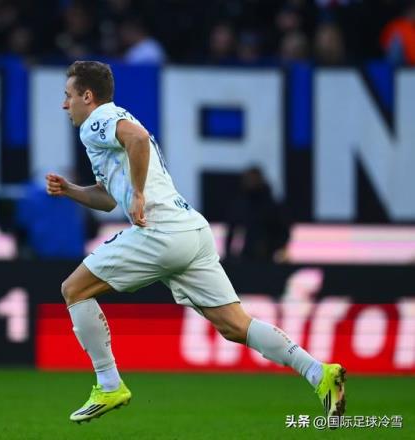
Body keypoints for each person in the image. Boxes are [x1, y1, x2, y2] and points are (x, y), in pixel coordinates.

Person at [46, 60, 346, 424]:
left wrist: (138, 194)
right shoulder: (112, 123)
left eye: (68, 95)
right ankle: (319, 373)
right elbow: (109, 198)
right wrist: (71, 190)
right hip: (191, 230)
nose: (64, 104)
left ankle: (109, 383)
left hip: (160, 232)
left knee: (74, 289)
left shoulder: (97, 121)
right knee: (236, 325)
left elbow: (137, 139)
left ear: (87, 96)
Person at [225, 166, 291, 263]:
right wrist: (229, 255)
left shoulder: (271, 206)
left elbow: (284, 231)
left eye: (254, 179)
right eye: (249, 179)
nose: (251, 182)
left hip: (269, 258)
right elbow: (231, 230)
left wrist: (271, 247)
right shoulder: (241, 204)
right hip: (246, 257)